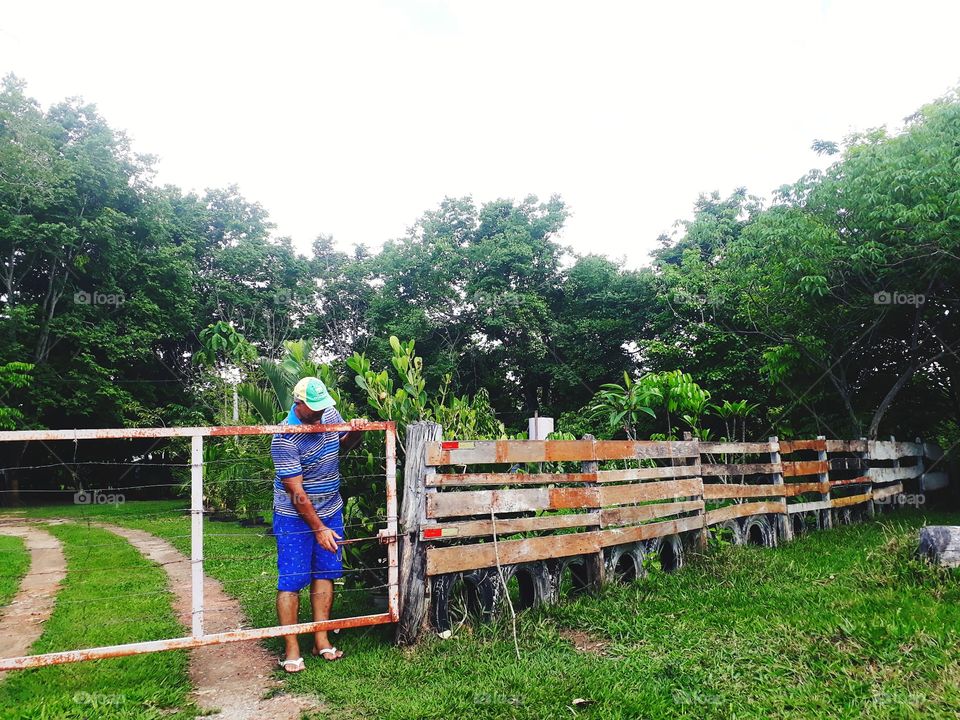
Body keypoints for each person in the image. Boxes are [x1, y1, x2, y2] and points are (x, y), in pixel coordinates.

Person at [271, 376, 365, 673]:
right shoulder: (284, 438)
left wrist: (356, 432)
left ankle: (320, 640)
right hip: (294, 516)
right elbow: (296, 494)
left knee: (325, 573)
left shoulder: (328, 413)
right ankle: (291, 647)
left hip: (330, 509)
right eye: (315, 409)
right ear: (298, 404)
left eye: (324, 407)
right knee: (292, 580)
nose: (321, 414)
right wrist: (319, 528)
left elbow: (344, 446)